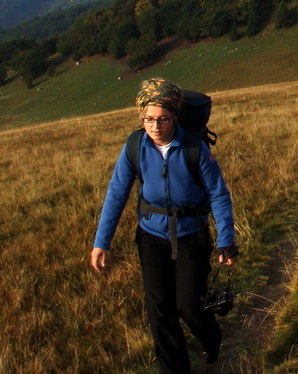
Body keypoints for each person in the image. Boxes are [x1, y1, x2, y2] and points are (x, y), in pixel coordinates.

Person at [90, 78, 238, 374]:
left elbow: (218, 194)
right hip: (151, 237)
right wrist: (101, 242)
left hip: (191, 235)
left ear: (175, 117)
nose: (155, 126)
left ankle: (211, 337)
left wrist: (226, 240)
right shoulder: (135, 146)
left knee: (189, 307)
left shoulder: (195, 147)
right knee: (160, 311)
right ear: (141, 118)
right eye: (148, 119)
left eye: (162, 119)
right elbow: (117, 194)